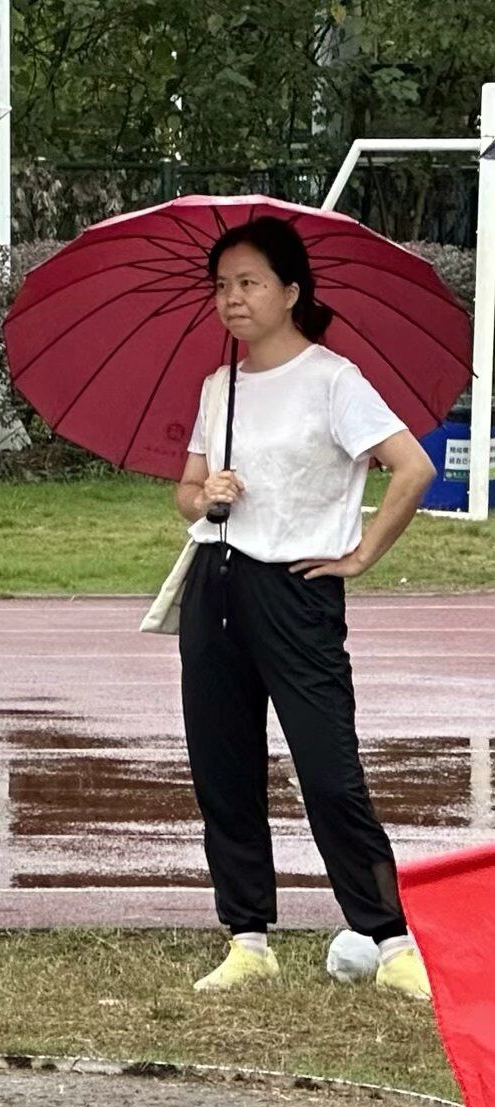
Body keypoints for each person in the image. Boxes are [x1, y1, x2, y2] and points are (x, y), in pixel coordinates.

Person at [173, 217, 436, 998]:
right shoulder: (217, 387)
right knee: (223, 770)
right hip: (215, 584)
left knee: (327, 773)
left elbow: (411, 468)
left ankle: (390, 941)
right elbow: (185, 492)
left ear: (289, 292)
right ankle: (246, 939)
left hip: (295, 591)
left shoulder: (332, 379)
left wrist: (360, 554)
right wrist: (206, 493)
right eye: (221, 286)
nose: (231, 298)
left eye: (248, 283)